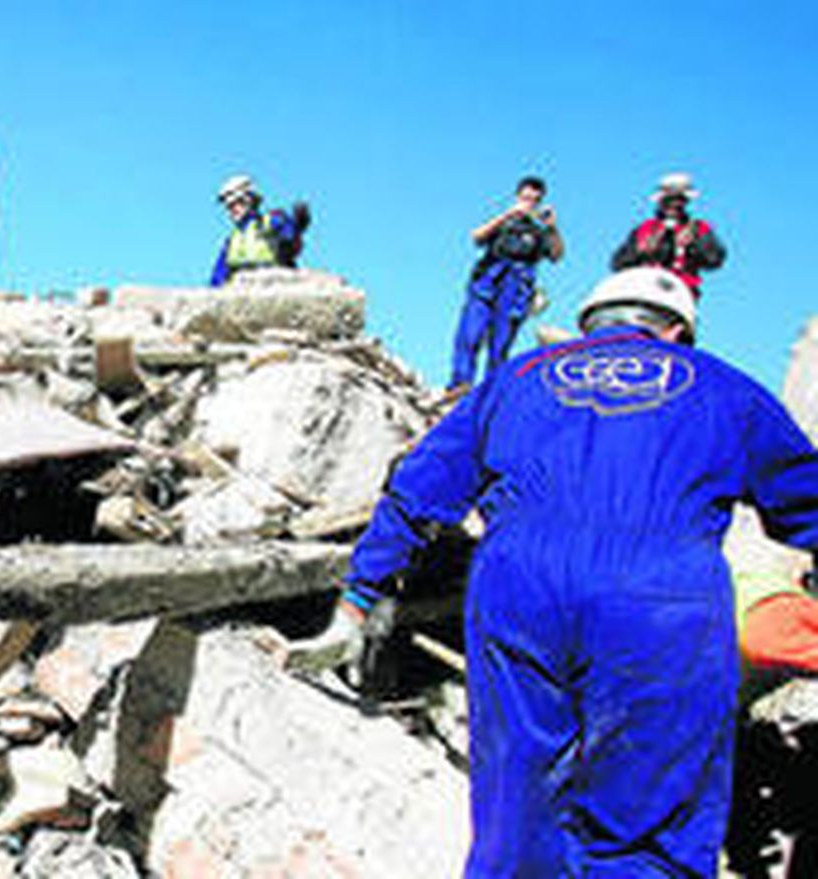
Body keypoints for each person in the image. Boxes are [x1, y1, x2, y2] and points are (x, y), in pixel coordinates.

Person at [312, 267, 818, 876]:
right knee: (650, 818)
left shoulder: (514, 380)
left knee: (516, 807)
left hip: (519, 586)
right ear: (678, 330)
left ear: (588, 325)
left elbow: (416, 489)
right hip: (659, 594)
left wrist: (358, 598)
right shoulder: (723, 387)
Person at [448, 175, 564, 390]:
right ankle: (460, 385)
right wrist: (507, 215)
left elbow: (557, 256)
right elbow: (476, 237)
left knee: (500, 345)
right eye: (526, 197)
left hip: (517, 286)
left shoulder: (539, 231)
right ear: (518, 196)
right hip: (488, 279)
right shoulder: (503, 221)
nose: (529, 203)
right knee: (470, 334)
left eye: (534, 200)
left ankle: (491, 392)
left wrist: (552, 228)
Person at [612, 172, 727, 296]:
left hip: (681, 294)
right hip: (645, 290)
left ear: (685, 202)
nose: (674, 205)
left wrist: (693, 246)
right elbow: (618, 264)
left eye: (679, 200)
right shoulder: (644, 229)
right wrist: (639, 251)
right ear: (660, 202)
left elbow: (714, 260)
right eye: (669, 200)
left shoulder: (699, 229)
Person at [209, 174, 310, 286]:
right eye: (228, 207)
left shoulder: (269, 222)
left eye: (237, 204)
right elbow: (218, 276)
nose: (232, 210)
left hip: (271, 285)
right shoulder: (232, 241)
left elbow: (290, 233)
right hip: (241, 292)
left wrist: (298, 225)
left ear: (250, 201)